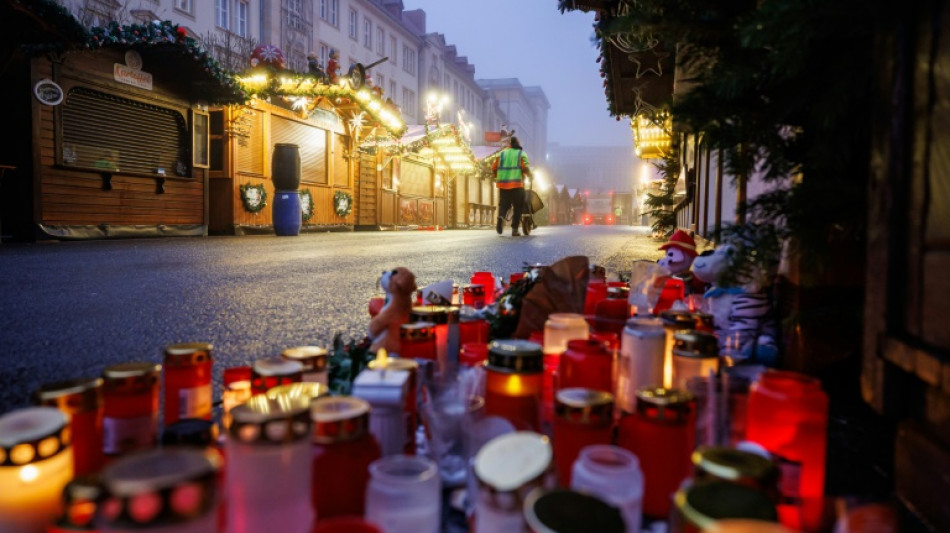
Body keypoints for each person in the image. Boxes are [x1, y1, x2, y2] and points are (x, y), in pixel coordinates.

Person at [492, 136, 531, 237]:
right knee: (518, 207)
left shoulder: (502, 154)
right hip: (517, 185)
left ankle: (501, 217)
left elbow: (494, 167)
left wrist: (498, 176)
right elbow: (525, 168)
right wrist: (530, 175)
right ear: (517, 144)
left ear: (509, 144)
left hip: (503, 185)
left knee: (504, 205)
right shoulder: (521, 153)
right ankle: (514, 230)